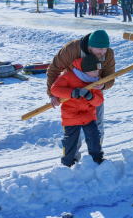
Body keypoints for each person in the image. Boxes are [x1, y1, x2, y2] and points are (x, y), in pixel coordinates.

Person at [47, 30, 116, 158]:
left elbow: (110, 77)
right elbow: (53, 70)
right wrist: (53, 95)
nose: (103, 53)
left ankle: (96, 157)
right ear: (90, 45)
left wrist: (104, 85)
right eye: (100, 49)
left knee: (97, 125)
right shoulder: (72, 49)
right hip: (73, 93)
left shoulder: (108, 54)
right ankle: (73, 158)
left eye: (105, 49)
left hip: (94, 93)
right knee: (74, 127)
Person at [50, 55, 105, 167]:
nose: (97, 74)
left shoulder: (95, 82)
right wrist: (71, 93)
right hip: (70, 116)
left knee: (94, 136)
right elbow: (55, 89)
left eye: (97, 71)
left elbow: (99, 101)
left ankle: (97, 159)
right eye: (94, 71)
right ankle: (67, 163)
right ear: (86, 70)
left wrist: (90, 97)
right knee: (70, 141)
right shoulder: (69, 76)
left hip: (88, 115)